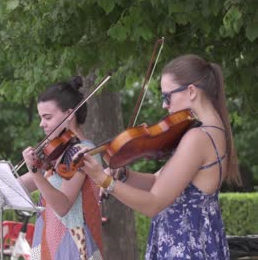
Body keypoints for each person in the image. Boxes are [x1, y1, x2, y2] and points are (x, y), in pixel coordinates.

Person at [75, 54, 241, 259]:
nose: (164, 105)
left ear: (191, 91)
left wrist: (103, 179)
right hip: (199, 242)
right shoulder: (214, 130)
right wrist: (125, 175)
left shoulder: (197, 138)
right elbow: (156, 181)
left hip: (185, 248)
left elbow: (153, 203)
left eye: (167, 96)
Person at [19, 76, 103, 260]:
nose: (42, 124)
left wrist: (35, 172)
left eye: (47, 117)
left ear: (69, 114)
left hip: (72, 241)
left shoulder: (82, 151)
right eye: (41, 117)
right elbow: (21, 185)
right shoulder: (59, 153)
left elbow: (63, 206)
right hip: (48, 236)